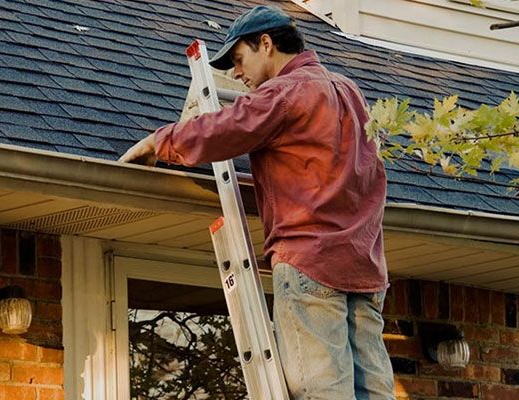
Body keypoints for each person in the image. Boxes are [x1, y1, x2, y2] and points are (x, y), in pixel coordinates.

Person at [119, 5, 394, 400]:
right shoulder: (349, 92)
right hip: (365, 267)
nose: (235, 74)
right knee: (374, 392)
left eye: (238, 58)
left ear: (266, 44)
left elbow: (227, 128)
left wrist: (158, 142)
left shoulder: (285, 92)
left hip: (309, 262)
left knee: (323, 393)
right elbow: (372, 175)